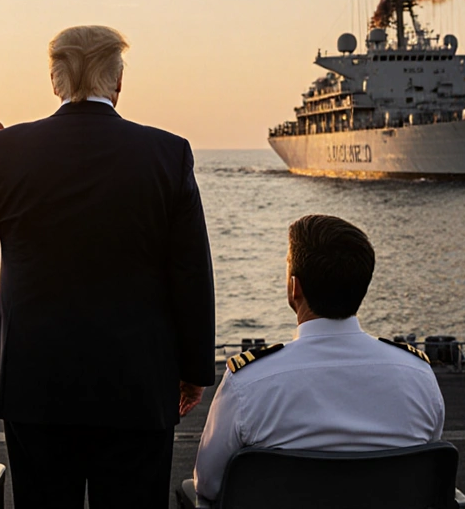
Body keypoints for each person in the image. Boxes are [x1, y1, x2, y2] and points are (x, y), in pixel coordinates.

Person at [0, 25, 216, 509]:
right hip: (137, 383)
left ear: (55, 81)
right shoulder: (168, 152)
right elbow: (190, 272)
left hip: (34, 380)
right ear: (119, 82)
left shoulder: (6, 151)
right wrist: (194, 369)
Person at [187, 215, 445, 508]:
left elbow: (208, 484)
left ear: (294, 287)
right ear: (361, 286)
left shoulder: (247, 384)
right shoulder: (419, 376)